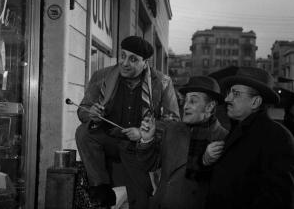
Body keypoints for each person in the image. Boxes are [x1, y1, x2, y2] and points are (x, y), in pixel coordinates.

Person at [75, 35, 180, 208]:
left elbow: (174, 122)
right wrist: (90, 113)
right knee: (83, 132)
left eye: (133, 59)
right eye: (122, 56)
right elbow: (83, 109)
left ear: (145, 62)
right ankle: (100, 187)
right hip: (110, 140)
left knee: (141, 200)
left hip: (140, 147)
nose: (124, 63)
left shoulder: (162, 82)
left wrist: (143, 133)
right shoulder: (102, 76)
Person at [204, 67, 294, 209]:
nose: (227, 99)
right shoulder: (236, 130)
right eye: (229, 93)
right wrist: (206, 161)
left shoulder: (278, 137)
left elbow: (278, 200)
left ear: (255, 102)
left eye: (236, 94)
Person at [138, 76, 228, 209]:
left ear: (210, 106)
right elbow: (150, 165)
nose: (185, 106)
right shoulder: (173, 129)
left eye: (193, 101)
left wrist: (206, 162)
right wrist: (147, 140)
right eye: (185, 100)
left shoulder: (223, 138)